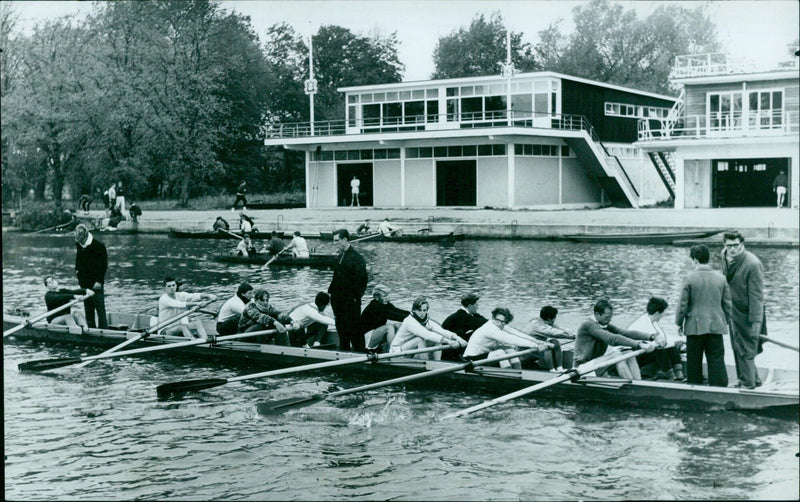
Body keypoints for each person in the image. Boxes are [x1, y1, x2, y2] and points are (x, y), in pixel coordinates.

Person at [675, 245, 732, 387]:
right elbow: (728, 305)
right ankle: (719, 388)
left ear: (694, 260)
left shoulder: (689, 278)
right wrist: (728, 322)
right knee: (717, 359)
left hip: (695, 326)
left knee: (694, 360)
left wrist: (679, 323)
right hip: (716, 325)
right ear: (708, 259)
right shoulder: (721, 278)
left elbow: (683, 304)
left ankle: (695, 387)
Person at [721, 229, 765, 389]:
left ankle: (748, 384)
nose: (732, 249)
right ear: (725, 245)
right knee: (736, 347)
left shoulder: (752, 264)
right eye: (729, 245)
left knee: (747, 349)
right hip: (733, 311)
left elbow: (757, 297)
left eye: (735, 245)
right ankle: (750, 379)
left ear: (742, 244)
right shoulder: (724, 255)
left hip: (748, 313)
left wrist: (755, 323)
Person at [574, 299, 657, 378]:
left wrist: (651, 337)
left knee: (628, 352)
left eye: (610, 317)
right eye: (607, 317)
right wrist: (639, 344)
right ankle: (631, 387)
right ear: (597, 314)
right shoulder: (588, 325)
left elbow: (625, 333)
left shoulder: (603, 324)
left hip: (595, 364)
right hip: (582, 368)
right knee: (617, 356)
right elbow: (612, 339)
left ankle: (638, 383)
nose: (609, 320)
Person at [463, 307, 550, 369]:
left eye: (503, 322)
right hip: (472, 359)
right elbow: (510, 339)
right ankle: (508, 377)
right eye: (498, 320)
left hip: (485, 355)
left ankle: (518, 372)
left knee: (510, 350)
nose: (500, 324)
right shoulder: (490, 328)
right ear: (493, 318)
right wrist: (534, 346)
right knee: (500, 352)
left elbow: (517, 333)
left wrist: (538, 342)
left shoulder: (498, 324)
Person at [328, 229, 368, 352]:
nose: (335, 243)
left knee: (355, 330)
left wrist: (355, 297)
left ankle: (360, 353)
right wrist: (331, 295)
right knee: (342, 330)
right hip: (338, 301)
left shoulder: (356, 258)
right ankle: (344, 353)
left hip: (350, 301)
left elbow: (363, 280)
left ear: (345, 240)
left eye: (337, 241)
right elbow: (336, 279)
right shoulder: (339, 257)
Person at [389, 296, 465, 360]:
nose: (422, 313)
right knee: (420, 339)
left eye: (424, 310)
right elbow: (426, 335)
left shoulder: (426, 321)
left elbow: (441, 330)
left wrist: (458, 338)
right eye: (419, 310)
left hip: (409, 350)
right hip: (396, 353)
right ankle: (427, 364)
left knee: (438, 340)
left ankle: (437, 364)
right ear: (414, 310)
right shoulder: (409, 321)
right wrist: (449, 342)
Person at [628, 297, 685, 381]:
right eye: (663, 313)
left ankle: (678, 373)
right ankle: (668, 374)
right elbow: (660, 343)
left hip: (644, 351)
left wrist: (683, 340)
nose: (663, 316)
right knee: (662, 348)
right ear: (657, 313)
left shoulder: (652, 321)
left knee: (671, 346)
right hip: (633, 357)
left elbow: (665, 338)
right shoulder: (642, 323)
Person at [74, 224, 108, 329]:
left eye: (79, 239)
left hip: (95, 283)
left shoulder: (99, 246)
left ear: (84, 236)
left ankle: (103, 329)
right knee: (88, 308)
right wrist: (78, 273)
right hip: (85, 282)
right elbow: (78, 261)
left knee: (100, 308)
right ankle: (91, 329)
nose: (77, 241)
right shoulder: (79, 244)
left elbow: (103, 265)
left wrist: (99, 281)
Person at [523, 306, 575, 372]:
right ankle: (552, 370)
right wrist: (572, 336)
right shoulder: (537, 324)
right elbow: (553, 333)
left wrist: (575, 334)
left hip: (536, 347)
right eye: (555, 318)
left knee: (555, 342)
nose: (555, 320)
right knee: (548, 345)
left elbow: (559, 328)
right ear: (550, 318)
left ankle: (560, 368)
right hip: (525, 353)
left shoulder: (544, 321)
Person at [360, 284, 409, 352]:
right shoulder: (374, 306)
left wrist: (413, 314)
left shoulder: (385, 304)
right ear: (376, 297)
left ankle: (400, 348)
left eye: (387, 295)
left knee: (397, 326)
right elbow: (393, 315)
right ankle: (393, 352)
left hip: (376, 334)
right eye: (384, 296)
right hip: (366, 338)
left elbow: (397, 311)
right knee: (389, 328)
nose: (387, 298)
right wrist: (413, 318)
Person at [441, 292, 488, 361]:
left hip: (458, 344)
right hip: (449, 351)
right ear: (469, 306)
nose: (478, 307)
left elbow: (486, 322)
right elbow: (480, 323)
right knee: (474, 332)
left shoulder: (469, 314)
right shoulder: (462, 316)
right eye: (476, 305)